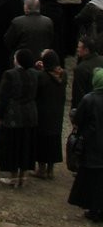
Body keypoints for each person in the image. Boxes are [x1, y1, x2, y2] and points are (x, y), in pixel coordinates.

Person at [0, 48, 40, 187]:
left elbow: (2, 96)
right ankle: (23, 177)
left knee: (13, 146)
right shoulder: (35, 74)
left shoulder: (10, 74)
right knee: (26, 146)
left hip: (14, 115)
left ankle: (13, 177)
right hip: (31, 114)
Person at [67, 66, 103, 223]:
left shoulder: (89, 99)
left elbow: (78, 120)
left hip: (92, 143)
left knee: (91, 177)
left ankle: (93, 208)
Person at [34, 48, 67, 181]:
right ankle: (50, 170)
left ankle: (41, 169)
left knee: (42, 141)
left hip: (42, 112)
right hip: (57, 112)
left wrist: (39, 70)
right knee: (54, 140)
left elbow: (38, 89)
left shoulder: (41, 76)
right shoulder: (63, 74)